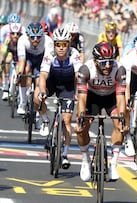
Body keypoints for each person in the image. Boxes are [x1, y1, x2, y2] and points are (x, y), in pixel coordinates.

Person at [75, 42, 127, 182]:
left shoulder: (119, 69)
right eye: (103, 63)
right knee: (80, 128)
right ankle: (85, 161)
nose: (108, 66)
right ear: (95, 61)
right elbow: (81, 98)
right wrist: (81, 116)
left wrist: (122, 116)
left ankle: (113, 164)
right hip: (92, 98)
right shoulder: (86, 69)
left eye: (110, 61)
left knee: (121, 125)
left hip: (111, 98)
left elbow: (121, 97)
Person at [36, 27, 82, 169]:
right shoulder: (49, 54)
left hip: (67, 86)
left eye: (64, 44)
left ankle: (65, 154)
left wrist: (78, 94)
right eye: (58, 44)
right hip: (52, 82)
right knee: (36, 95)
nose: (61, 48)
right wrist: (42, 91)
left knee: (67, 120)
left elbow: (78, 76)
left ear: (69, 44)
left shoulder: (74, 54)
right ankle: (44, 120)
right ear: (54, 44)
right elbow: (43, 76)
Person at [16, 22, 54, 136]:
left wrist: (42, 78)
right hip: (28, 59)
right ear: (28, 36)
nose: (36, 40)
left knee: (39, 84)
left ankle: (39, 114)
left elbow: (47, 63)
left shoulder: (48, 41)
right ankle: (22, 102)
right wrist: (19, 74)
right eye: (33, 37)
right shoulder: (22, 40)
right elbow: (22, 61)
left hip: (41, 60)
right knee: (25, 71)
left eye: (38, 37)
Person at [0, 23, 23, 101]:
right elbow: (3, 52)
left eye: (18, 34)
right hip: (12, 54)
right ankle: (6, 85)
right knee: (7, 61)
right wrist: (1, 62)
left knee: (20, 72)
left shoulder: (22, 40)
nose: (15, 36)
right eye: (13, 33)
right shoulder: (7, 39)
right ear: (10, 34)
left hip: (20, 57)